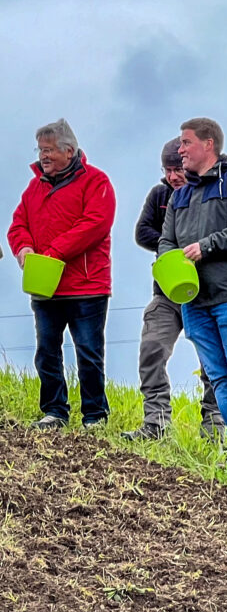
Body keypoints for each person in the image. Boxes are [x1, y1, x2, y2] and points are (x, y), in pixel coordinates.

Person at [158, 117, 227, 461]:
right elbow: (166, 241)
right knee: (219, 376)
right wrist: (171, 263)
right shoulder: (181, 196)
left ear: (209, 144)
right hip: (194, 300)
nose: (181, 149)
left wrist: (207, 246)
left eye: (186, 142)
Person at [7, 118, 116, 430]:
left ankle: (95, 416)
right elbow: (17, 225)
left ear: (69, 151)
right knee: (46, 352)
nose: (43, 156)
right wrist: (24, 249)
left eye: (50, 150)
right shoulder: (34, 187)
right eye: (41, 150)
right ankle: (54, 411)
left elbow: (95, 223)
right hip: (45, 286)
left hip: (87, 285)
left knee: (89, 353)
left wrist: (53, 252)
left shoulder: (98, 182)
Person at [123, 138, 224, 441]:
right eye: (167, 170)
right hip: (167, 292)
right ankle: (156, 423)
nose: (172, 176)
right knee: (151, 349)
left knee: (212, 362)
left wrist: (199, 248)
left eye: (176, 169)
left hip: (208, 292)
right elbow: (142, 232)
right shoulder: (160, 195)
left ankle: (215, 428)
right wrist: (174, 249)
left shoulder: (214, 193)